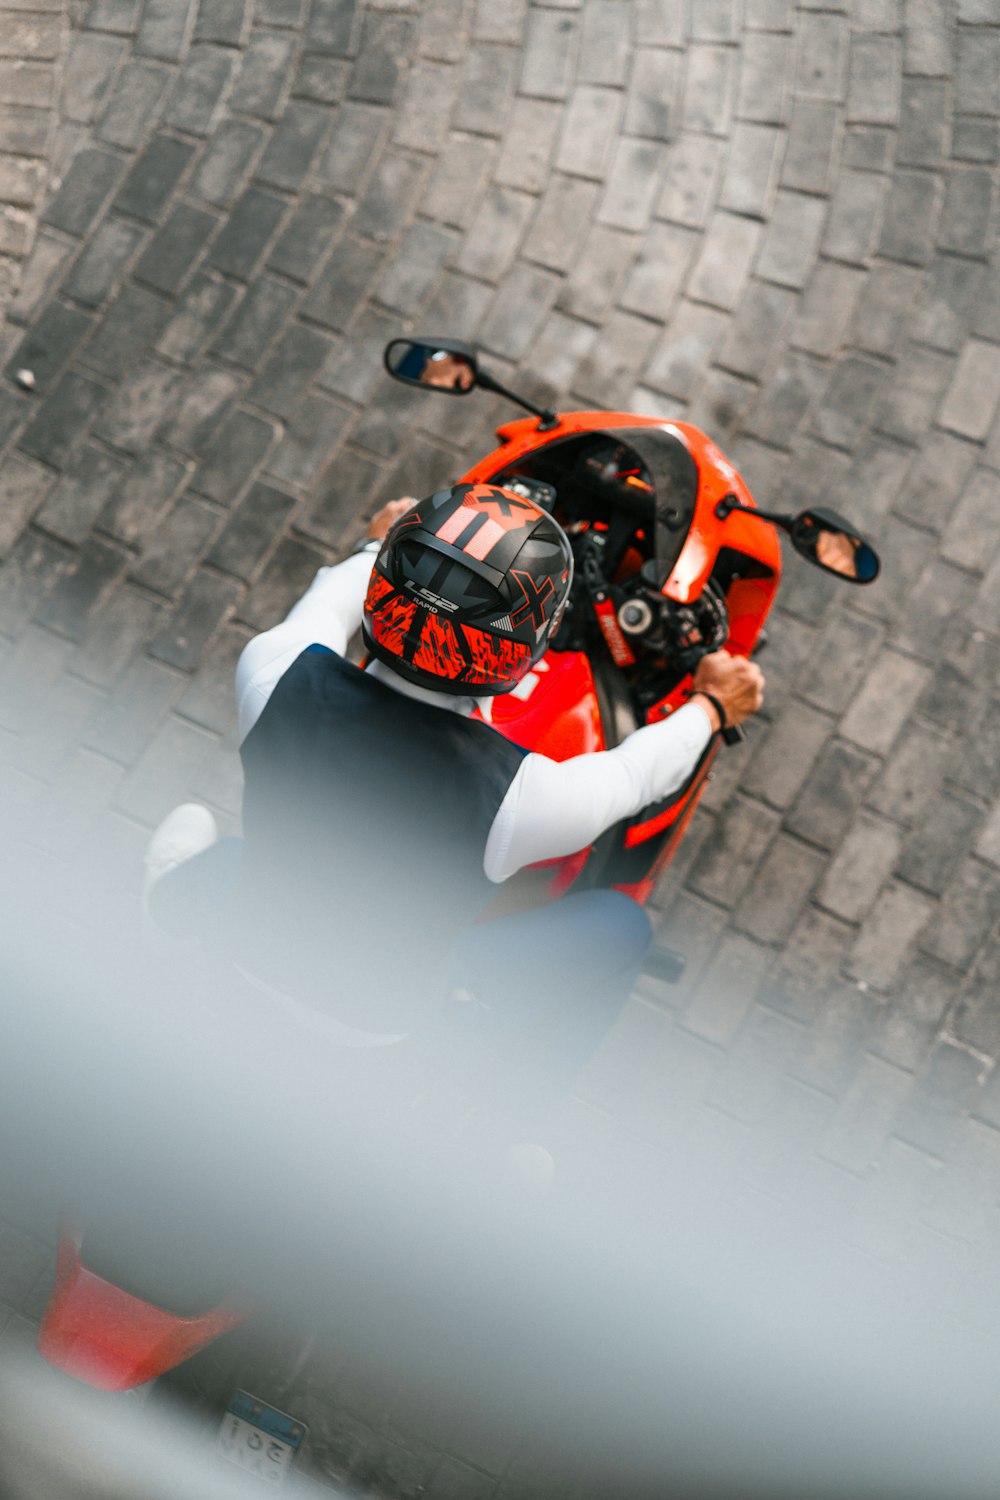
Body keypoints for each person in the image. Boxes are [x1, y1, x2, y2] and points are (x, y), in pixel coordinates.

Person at [145, 484, 764, 1145]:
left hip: (249, 957)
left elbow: (328, 598)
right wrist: (713, 708)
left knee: (205, 835)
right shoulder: (519, 799)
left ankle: (164, 924)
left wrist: (374, 545)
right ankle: (513, 1133)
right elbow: (635, 774)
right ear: (521, 654)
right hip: (375, 1035)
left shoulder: (274, 673)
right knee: (620, 926)